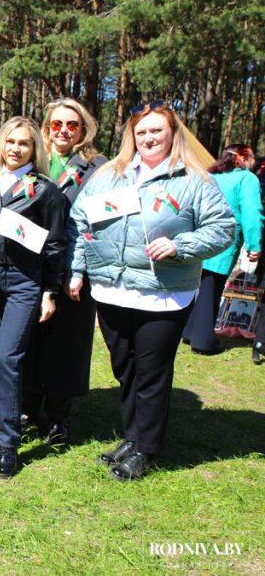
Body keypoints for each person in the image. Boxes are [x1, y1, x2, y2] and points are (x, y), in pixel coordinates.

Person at [70, 104, 234, 481]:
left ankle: (146, 447)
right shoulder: (110, 174)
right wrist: (77, 269)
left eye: (157, 131)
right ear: (132, 136)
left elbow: (222, 228)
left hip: (164, 294)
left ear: (173, 134)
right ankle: (132, 436)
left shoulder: (194, 180)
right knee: (125, 368)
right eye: (141, 132)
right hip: (113, 291)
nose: (149, 138)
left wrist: (181, 245)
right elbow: (80, 222)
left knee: (151, 371)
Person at [0, 116, 68, 479]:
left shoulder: (44, 190)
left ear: (33, 148)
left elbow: (55, 245)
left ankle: (9, 442)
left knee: (9, 357)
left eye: (23, 143)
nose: (15, 148)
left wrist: (50, 292)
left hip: (25, 282)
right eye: (10, 141)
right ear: (0, 144)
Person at [22, 99, 107, 444]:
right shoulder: (31, 159)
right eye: (56, 124)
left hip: (74, 267)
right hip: (32, 265)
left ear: (83, 130)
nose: (64, 131)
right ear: (46, 128)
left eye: (72, 125)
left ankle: (58, 416)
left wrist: (81, 269)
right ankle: (27, 406)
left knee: (67, 343)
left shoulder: (98, 167)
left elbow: (99, 222)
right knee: (29, 337)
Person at [181, 144, 262, 355]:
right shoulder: (246, 179)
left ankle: (190, 331)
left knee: (199, 284)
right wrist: (255, 244)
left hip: (198, 237)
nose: (254, 162)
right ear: (242, 159)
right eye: (251, 157)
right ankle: (202, 340)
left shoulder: (209, 176)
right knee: (212, 287)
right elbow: (252, 212)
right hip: (223, 239)